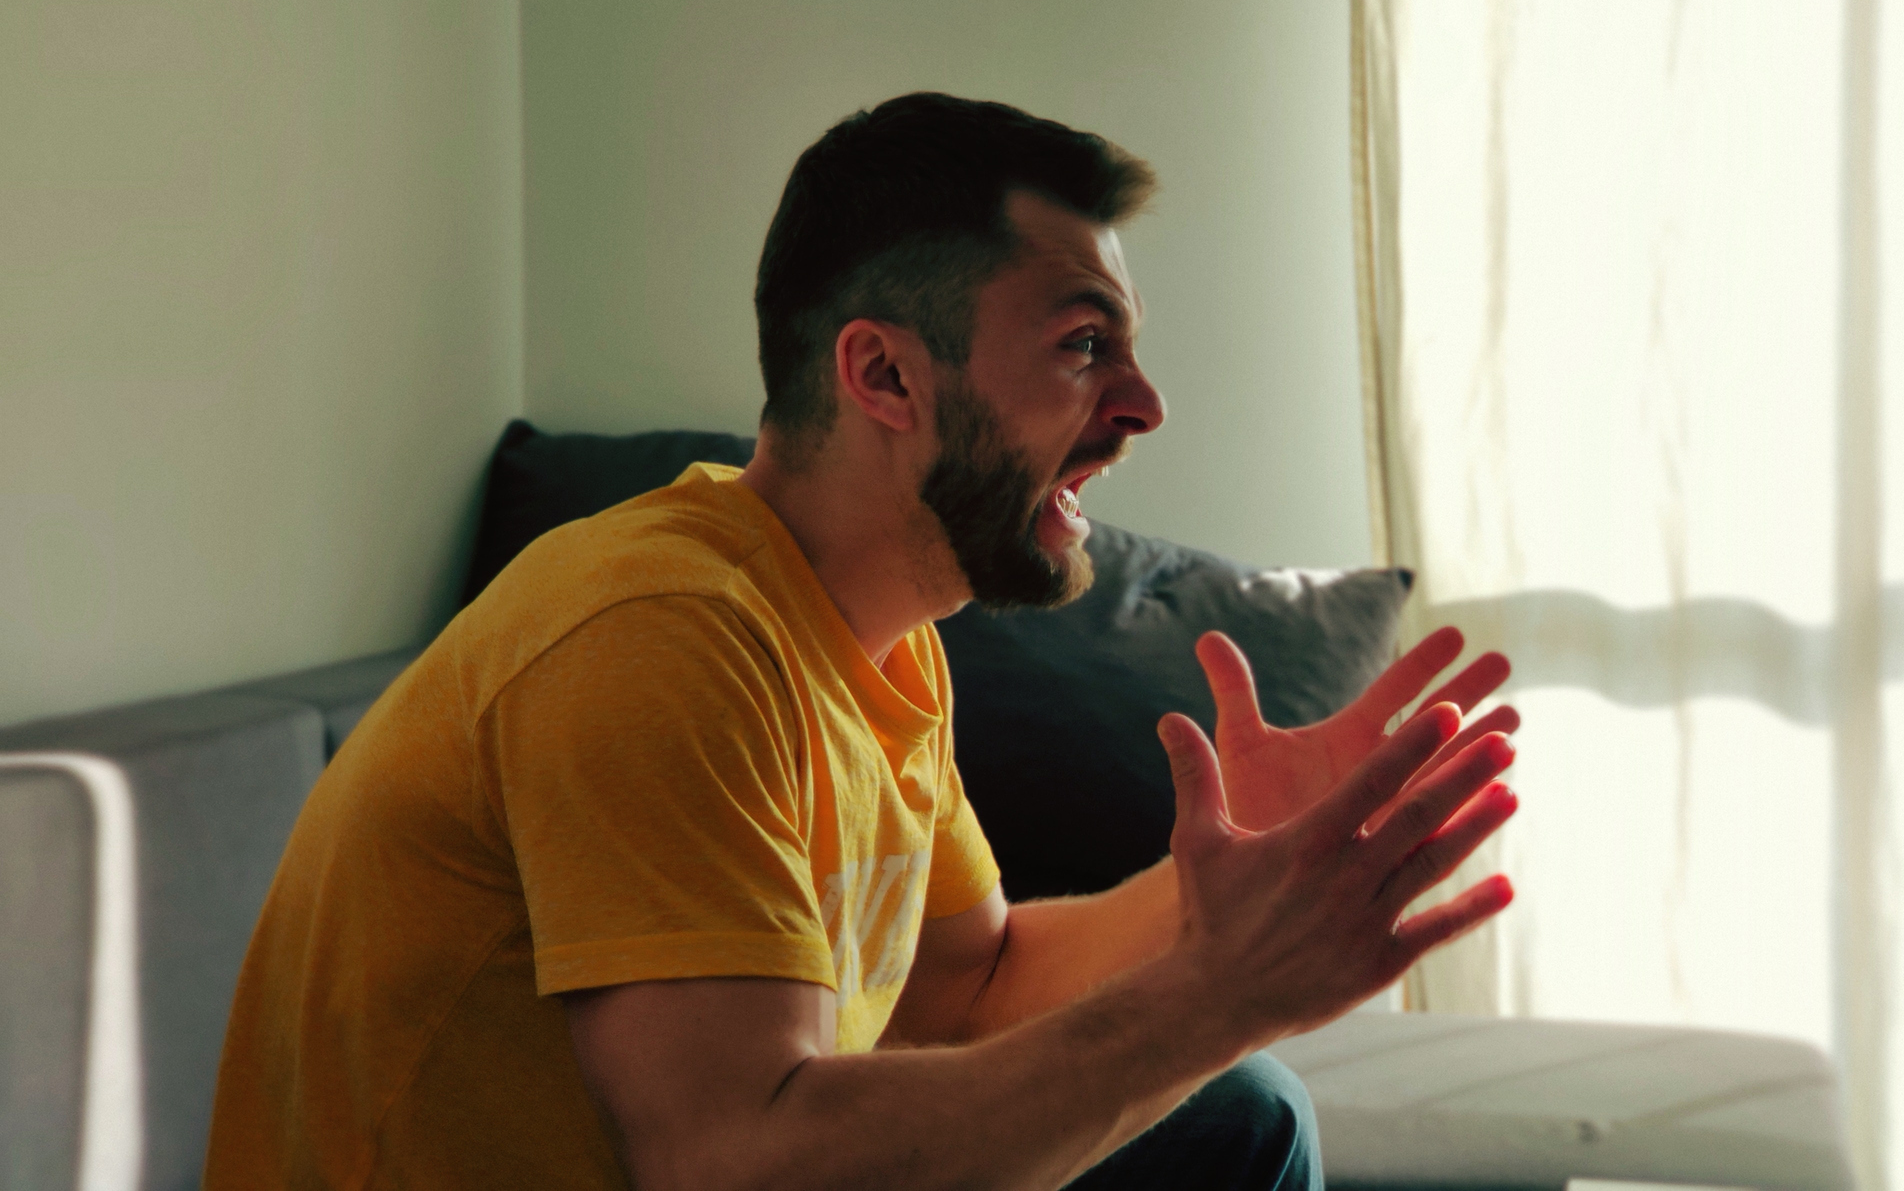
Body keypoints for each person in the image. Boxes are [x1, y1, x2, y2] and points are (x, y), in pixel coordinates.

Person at [204, 93, 1521, 1191]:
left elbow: (966, 989)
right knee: (1228, 1094)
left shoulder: (875, 638)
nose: (1144, 405)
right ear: (885, 376)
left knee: (1238, 1121)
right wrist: (1221, 993)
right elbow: (734, 1163)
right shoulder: (660, 635)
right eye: (1081, 345)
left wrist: (1224, 890)